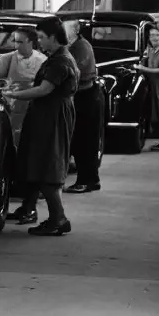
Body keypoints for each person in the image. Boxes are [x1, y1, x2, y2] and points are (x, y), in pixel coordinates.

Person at [3, 17, 79, 237]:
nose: (40, 43)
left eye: (43, 38)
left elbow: (44, 89)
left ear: (54, 38)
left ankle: (58, 218)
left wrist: (13, 94)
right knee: (35, 163)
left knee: (47, 167)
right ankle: (28, 208)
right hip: (46, 115)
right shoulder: (57, 57)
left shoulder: (60, 61)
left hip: (52, 117)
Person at [63, 19, 105, 194]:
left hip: (87, 98)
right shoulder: (74, 46)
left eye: (64, 29)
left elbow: (75, 71)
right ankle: (90, 180)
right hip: (83, 96)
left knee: (84, 142)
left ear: (75, 30)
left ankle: (86, 181)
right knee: (82, 141)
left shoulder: (81, 47)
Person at [0, 27, 47, 148]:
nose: (16, 46)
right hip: (13, 109)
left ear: (30, 42)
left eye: (20, 42)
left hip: (34, 111)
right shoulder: (9, 58)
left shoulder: (43, 61)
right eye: (15, 41)